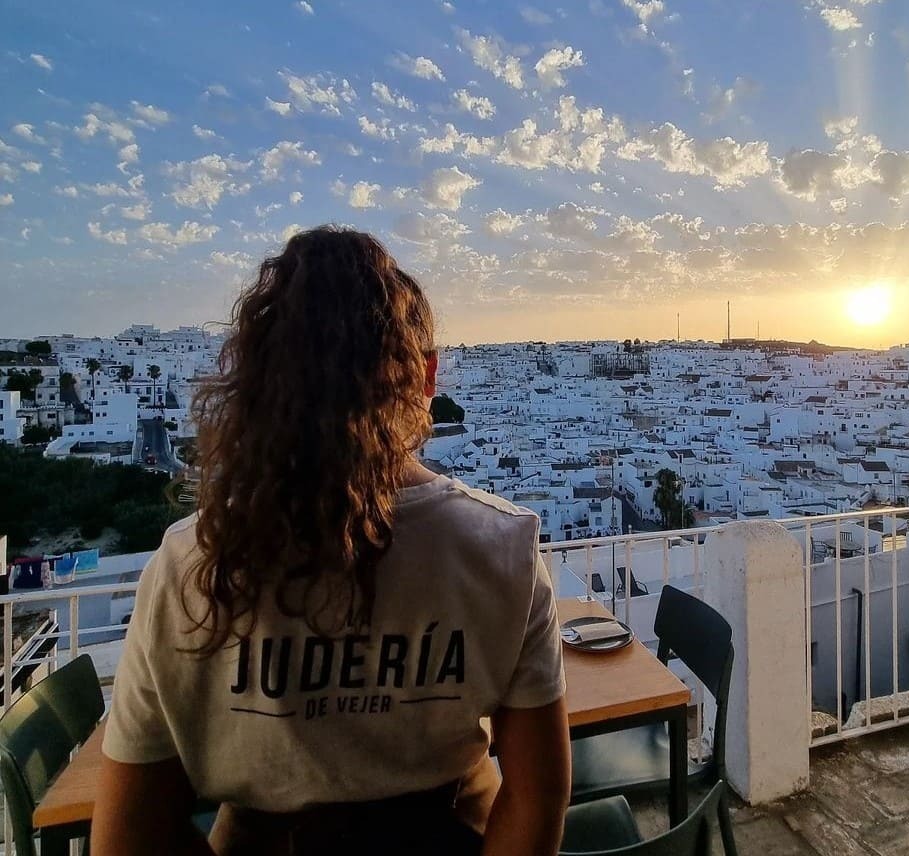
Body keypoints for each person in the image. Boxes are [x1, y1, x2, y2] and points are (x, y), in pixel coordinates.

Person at [92, 226, 571, 856]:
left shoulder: (189, 562)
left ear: (260, 378)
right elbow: (538, 793)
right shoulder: (502, 546)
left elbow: (128, 833)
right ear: (427, 376)